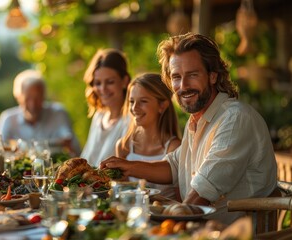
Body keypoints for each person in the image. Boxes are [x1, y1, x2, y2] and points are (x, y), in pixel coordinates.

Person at [101, 33, 277, 224]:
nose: (183, 86)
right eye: (176, 77)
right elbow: (174, 166)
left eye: (192, 75)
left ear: (212, 75)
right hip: (201, 227)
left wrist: (166, 224)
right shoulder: (198, 120)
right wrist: (128, 166)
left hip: (233, 234)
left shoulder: (235, 119)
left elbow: (203, 190)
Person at [116, 73, 181, 200]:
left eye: (143, 101)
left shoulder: (174, 147)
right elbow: (124, 195)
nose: (134, 108)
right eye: (131, 101)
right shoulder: (124, 146)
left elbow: (181, 200)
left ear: (162, 105)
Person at [0, 69, 81, 156]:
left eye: (38, 98)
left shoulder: (58, 113)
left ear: (44, 96)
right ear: (18, 97)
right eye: (28, 98)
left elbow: (71, 145)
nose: (33, 104)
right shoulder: (8, 119)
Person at [81, 49, 131, 167]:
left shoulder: (131, 120)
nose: (103, 89)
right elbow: (85, 160)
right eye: (97, 83)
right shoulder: (99, 116)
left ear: (124, 81)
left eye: (110, 82)